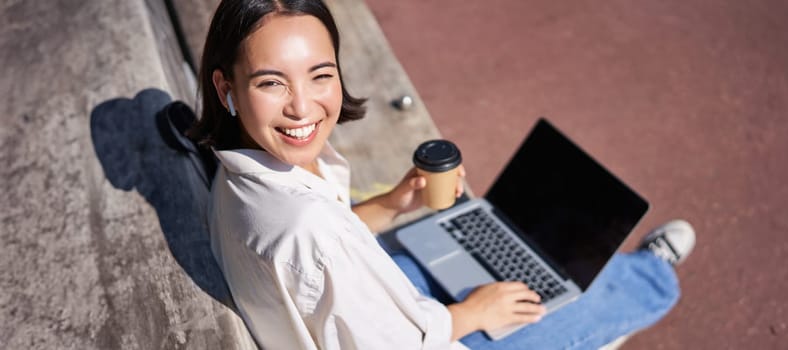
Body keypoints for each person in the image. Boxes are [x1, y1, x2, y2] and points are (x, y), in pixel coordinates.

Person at [188, 0, 696, 349]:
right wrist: (475, 314)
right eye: (272, 82)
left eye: (320, 74)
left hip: (356, 314)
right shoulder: (307, 231)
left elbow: (324, 258)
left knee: (452, 258)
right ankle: (651, 273)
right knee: (586, 294)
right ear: (226, 86)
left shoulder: (238, 169)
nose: (303, 106)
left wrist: (392, 204)